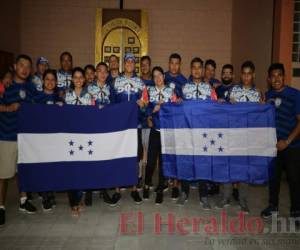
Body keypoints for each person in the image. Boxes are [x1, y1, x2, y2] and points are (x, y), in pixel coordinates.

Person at [216, 60, 263, 214]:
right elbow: (225, 111)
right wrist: (224, 103)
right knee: (228, 167)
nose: (246, 76)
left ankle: (243, 200)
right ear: (241, 75)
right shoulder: (233, 91)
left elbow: (260, 116)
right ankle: (226, 197)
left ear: (253, 75)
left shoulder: (257, 94)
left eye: (249, 74)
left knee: (244, 169)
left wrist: (263, 107)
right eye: (244, 73)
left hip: (248, 137)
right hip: (232, 135)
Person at [0, 55, 38, 226]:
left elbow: (41, 104)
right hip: (7, 136)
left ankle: (23, 201)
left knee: (23, 170)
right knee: (4, 174)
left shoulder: (31, 88)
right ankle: (1, 207)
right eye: (21, 65)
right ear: (14, 66)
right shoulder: (5, 85)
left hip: (26, 138)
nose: (24, 69)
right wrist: (7, 108)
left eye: (28, 66)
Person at [261, 63, 300, 227]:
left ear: (284, 76)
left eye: (279, 75)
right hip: (274, 146)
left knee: (294, 179)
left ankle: (296, 210)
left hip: (292, 145)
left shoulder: (295, 95)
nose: (276, 79)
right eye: (273, 76)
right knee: (274, 177)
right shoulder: (267, 95)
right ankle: (273, 205)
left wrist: (288, 141)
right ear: (269, 79)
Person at [178, 57, 217, 209]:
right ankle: (184, 192)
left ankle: (204, 195)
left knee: (202, 163)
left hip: (203, 133)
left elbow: (215, 109)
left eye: (199, 67)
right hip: (187, 132)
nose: (196, 70)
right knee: (186, 162)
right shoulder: (183, 88)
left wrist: (219, 102)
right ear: (191, 69)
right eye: (193, 67)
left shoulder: (210, 89)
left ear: (202, 70)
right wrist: (178, 103)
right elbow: (177, 106)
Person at [112, 53, 145, 205]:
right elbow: (111, 103)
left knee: (134, 156)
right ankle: (117, 190)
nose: (130, 64)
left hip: (135, 125)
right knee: (119, 155)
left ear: (134, 65)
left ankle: (134, 189)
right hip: (119, 125)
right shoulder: (116, 81)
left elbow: (145, 105)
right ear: (123, 64)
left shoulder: (140, 82)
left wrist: (142, 105)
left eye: (132, 62)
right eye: (127, 62)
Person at [143, 66, 177, 204]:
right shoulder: (149, 91)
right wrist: (151, 114)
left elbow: (176, 110)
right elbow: (144, 109)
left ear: (164, 76)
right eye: (155, 76)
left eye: (160, 75)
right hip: (155, 131)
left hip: (167, 132)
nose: (158, 78)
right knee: (150, 161)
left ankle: (160, 189)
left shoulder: (171, 91)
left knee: (163, 162)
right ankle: (146, 185)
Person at [86, 62, 115, 206]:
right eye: (100, 71)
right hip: (92, 128)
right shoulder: (89, 89)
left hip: (106, 128)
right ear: (96, 73)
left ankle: (103, 190)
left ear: (108, 74)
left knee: (104, 159)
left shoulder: (111, 88)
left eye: (105, 71)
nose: (103, 74)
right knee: (92, 158)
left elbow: (116, 106)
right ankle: (89, 190)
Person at [64, 67, 92, 216]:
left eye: (81, 77)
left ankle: (80, 198)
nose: (79, 79)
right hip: (71, 139)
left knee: (83, 169)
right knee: (72, 170)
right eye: (76, 77)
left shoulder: (89, 96)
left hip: (84, 137)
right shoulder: (67, 96)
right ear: (72, 79)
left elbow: (93, 116)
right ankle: (73, 202)